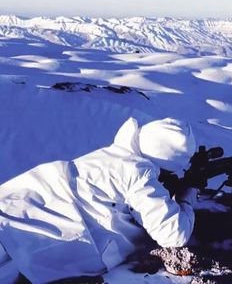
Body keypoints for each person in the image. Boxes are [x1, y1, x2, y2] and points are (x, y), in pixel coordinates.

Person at [0, 117, 199, 284]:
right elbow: (173, 234)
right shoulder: (139, 172)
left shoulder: (112, 155)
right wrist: (186, 198)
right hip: (29, 237)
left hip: (17, 208)